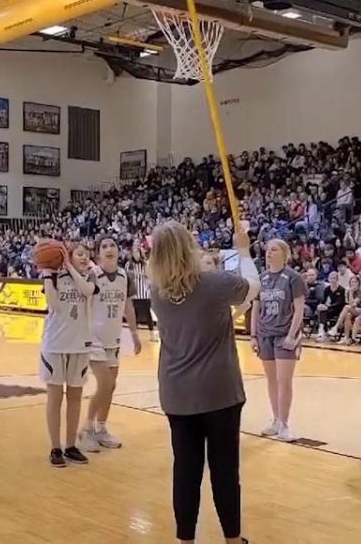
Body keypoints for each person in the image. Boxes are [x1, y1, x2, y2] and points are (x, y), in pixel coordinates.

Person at [149, 220, 259, 544]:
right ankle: (232, 539)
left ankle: (185, 540)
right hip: (218, 391)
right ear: (188, 248)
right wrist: (243, 249)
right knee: (224, 470)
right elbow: (252, 284)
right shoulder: (212, 283)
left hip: (176, 393)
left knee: (185, 470)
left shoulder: (157, 291)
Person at [79, 236, 143, 452]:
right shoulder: (93, 275)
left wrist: (134, 333)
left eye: (112, 245)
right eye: (104, 246)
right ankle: (86, 429)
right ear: (98, 254)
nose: (109, 249)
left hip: (113, 337)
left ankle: (101, 428)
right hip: (93, 336)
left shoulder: (125, 275)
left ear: (118, 251)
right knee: (105, 383)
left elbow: (127, 305)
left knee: (111, 386)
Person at [39, 242, 97, 468]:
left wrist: (71, 267)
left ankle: (71, 446)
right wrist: (48, 273)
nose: (85, 258)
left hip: (80, 344)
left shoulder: (90, 276)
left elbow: (87, 291)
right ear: (68, 255)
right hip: (54, 344)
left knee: (75, 397)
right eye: (80, 254)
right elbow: (53, 304)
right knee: (55, 397)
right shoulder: (53, 276)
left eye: (87, 254)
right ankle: (55, 447)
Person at [250, 239, 308, 442]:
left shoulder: (293, 278)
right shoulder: (261, 279)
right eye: (267, 250)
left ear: (285, 254)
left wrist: (293, 335)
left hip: (285, 334)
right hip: (265, 333)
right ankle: (275, 419)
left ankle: (284, 423)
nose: (268, 252)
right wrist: (253, 335)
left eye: (274, 249)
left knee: (284, 381)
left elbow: (299, 308)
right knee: (272, 380)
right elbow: (256, 308)